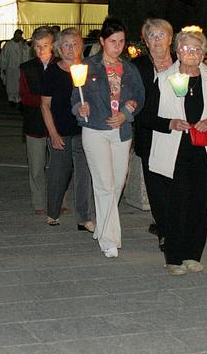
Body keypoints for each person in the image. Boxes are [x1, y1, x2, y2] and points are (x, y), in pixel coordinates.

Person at [141, 26, 207, 275]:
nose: (189, 52)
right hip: (174, 149)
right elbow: (146, 117)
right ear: (177, 51)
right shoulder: (163, 78)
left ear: (203, 53)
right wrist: (170, 123)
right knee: (175, 204)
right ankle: (174, 257)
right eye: (184, 48)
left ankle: (193, 254)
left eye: (195, 48)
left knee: (199, 204)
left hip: (203, 150)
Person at [73, 17, 145, 258]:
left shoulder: (131, 69)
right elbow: (76, 98)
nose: (118, 46)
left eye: (122, 41)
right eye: (113, 41)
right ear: (103, 41)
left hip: (121, 132)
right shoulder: (88, 66)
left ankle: (102, 227)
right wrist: (80, 109)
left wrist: (126, 113)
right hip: (95, 131)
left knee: (117, 185)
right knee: (105, 184)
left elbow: (139, 99)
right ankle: (109, 240)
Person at [41, 28, 94, 231]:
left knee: (84, 175)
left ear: (81, 46)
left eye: (74, 44)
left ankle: (84, 217)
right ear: (59, 48)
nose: (70, 48)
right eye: (66, 44)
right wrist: (53, 133)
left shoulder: (88, 69)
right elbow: (45, 105)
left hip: (84, 130)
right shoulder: (53, 72)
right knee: (59, 173)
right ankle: (53, 212)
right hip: (60, 130)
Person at [132, 18, 176, 251]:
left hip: (179, 133)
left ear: (171, 38)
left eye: (162, 35)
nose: (157, 40)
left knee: (177, 183)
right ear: (146, 42)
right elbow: (136, 103)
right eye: (152, 36)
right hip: (150, 132)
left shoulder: (183, 61)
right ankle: (165, 231)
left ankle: (172, 224)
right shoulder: (137, 66)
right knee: (157, 186)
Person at [20, 26, 56, 215]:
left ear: (53, 46)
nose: (41, 50)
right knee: (36, 166)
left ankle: (60, 200)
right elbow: (24, 96)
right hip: (34, 122)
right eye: (38, 46)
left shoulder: (61, 66)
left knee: (59, 165)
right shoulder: (27, 68)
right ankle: (39, 202)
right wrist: (45, 100)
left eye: (45, 45)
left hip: (58, 123)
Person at [0, 29, 31, 106]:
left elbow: (27, 54)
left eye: (19, 35)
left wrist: (24, 44)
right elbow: (3, 57)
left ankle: (18, 99)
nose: (18, 37)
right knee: (10, 84)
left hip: (19, 69)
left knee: (18, 84)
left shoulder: (22, 45)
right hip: (10, 68)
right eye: (17, 35)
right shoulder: (8, 45)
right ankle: (11, 99)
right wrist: (3, 68)